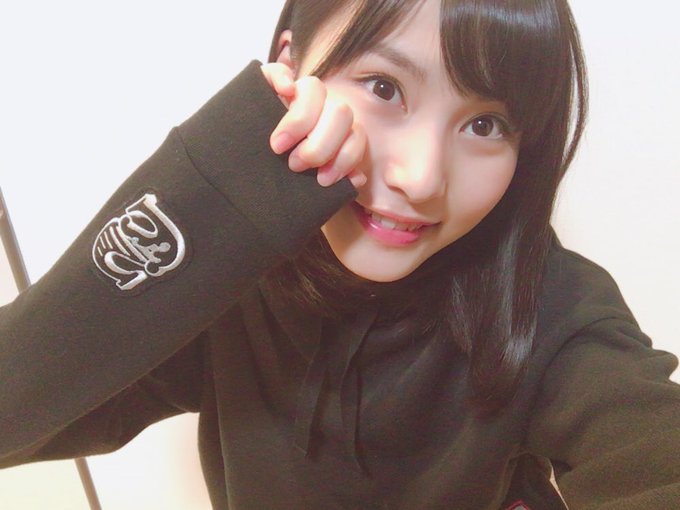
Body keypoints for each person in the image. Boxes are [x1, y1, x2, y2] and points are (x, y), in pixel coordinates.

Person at [0, 0, 678, 508]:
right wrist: (214, 182)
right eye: (384, 87)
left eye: (486, 123)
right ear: (289, 69)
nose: (422, 177)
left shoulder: (554, 307)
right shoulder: (230, 283)